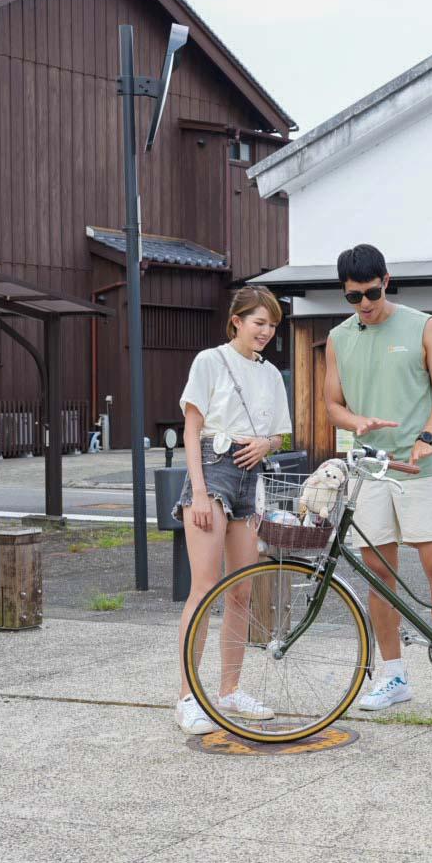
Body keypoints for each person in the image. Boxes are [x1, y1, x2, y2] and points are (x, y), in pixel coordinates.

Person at [325, 243, 432, 712]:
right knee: (378, 574)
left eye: (371, 293)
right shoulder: (338, 337)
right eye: (353, 297)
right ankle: (393, 675)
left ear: (386, 281)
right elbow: (332, 403)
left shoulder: (422, 325)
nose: (365, 304)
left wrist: (426, 434)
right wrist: (352, 422)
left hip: (420, 466)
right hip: (370, 470)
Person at [172, 286, 294, 734]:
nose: (266, 331)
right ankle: (187, 697)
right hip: (212, 467)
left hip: (252, 474)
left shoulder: (271, 375)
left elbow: (280, 435)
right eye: (259, 322)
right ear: (236, 321)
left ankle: (229, 690)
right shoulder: (210, 360)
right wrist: (199, 493)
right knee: (204, 588)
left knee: (241, 590)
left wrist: (267, 443)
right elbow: (191, 429)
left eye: (273, 325)